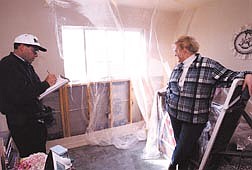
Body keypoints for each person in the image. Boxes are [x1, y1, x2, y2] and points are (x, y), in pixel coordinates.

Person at [165, 35, 252, 170]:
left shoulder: (208, 65)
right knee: (186, 148)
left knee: (182, 147)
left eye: (176, 50)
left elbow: (230, 75)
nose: (174, 53)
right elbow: (170, 87)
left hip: (194, 118)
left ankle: (172, 164)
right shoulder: (178, 68)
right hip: (175, 114)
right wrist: (168, 102)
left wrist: (248, 74)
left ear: (184, 49)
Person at [0, 34, 57, 158]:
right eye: (34, 50)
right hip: (22, 124)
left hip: (33, 121)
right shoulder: (8, 65)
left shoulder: (26, 66)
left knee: (39, 156)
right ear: (21, 47)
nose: (36, 55)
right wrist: (46, 84)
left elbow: (34, 88)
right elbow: (20, 95)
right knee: (30, 158)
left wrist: (47, 85)